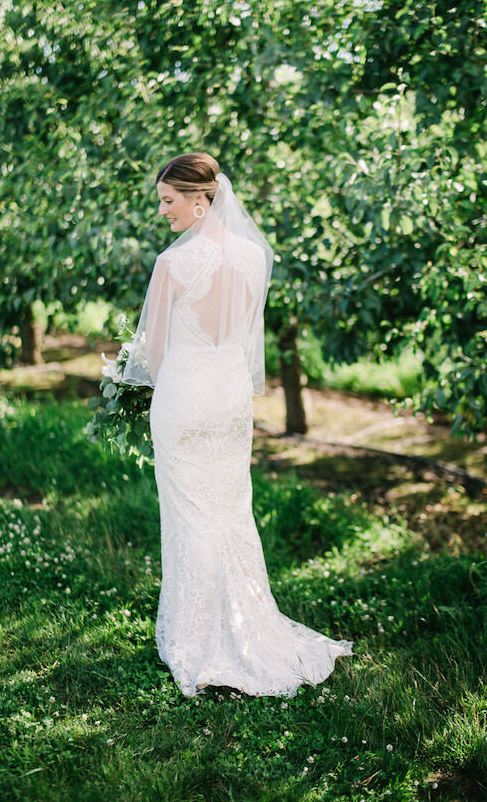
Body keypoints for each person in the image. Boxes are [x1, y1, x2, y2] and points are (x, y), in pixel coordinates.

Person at [122, 152, 352, 697]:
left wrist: (129, 382)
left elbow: (152, 355)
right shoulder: (254, 257)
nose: (164, 212)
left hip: (183, 402)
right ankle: (244, 628)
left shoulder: (172, 265)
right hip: (229, 405)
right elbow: (247, 339)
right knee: (229, 514)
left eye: (169, 201)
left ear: (200, 199)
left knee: (190, 519)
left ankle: (197, 639)